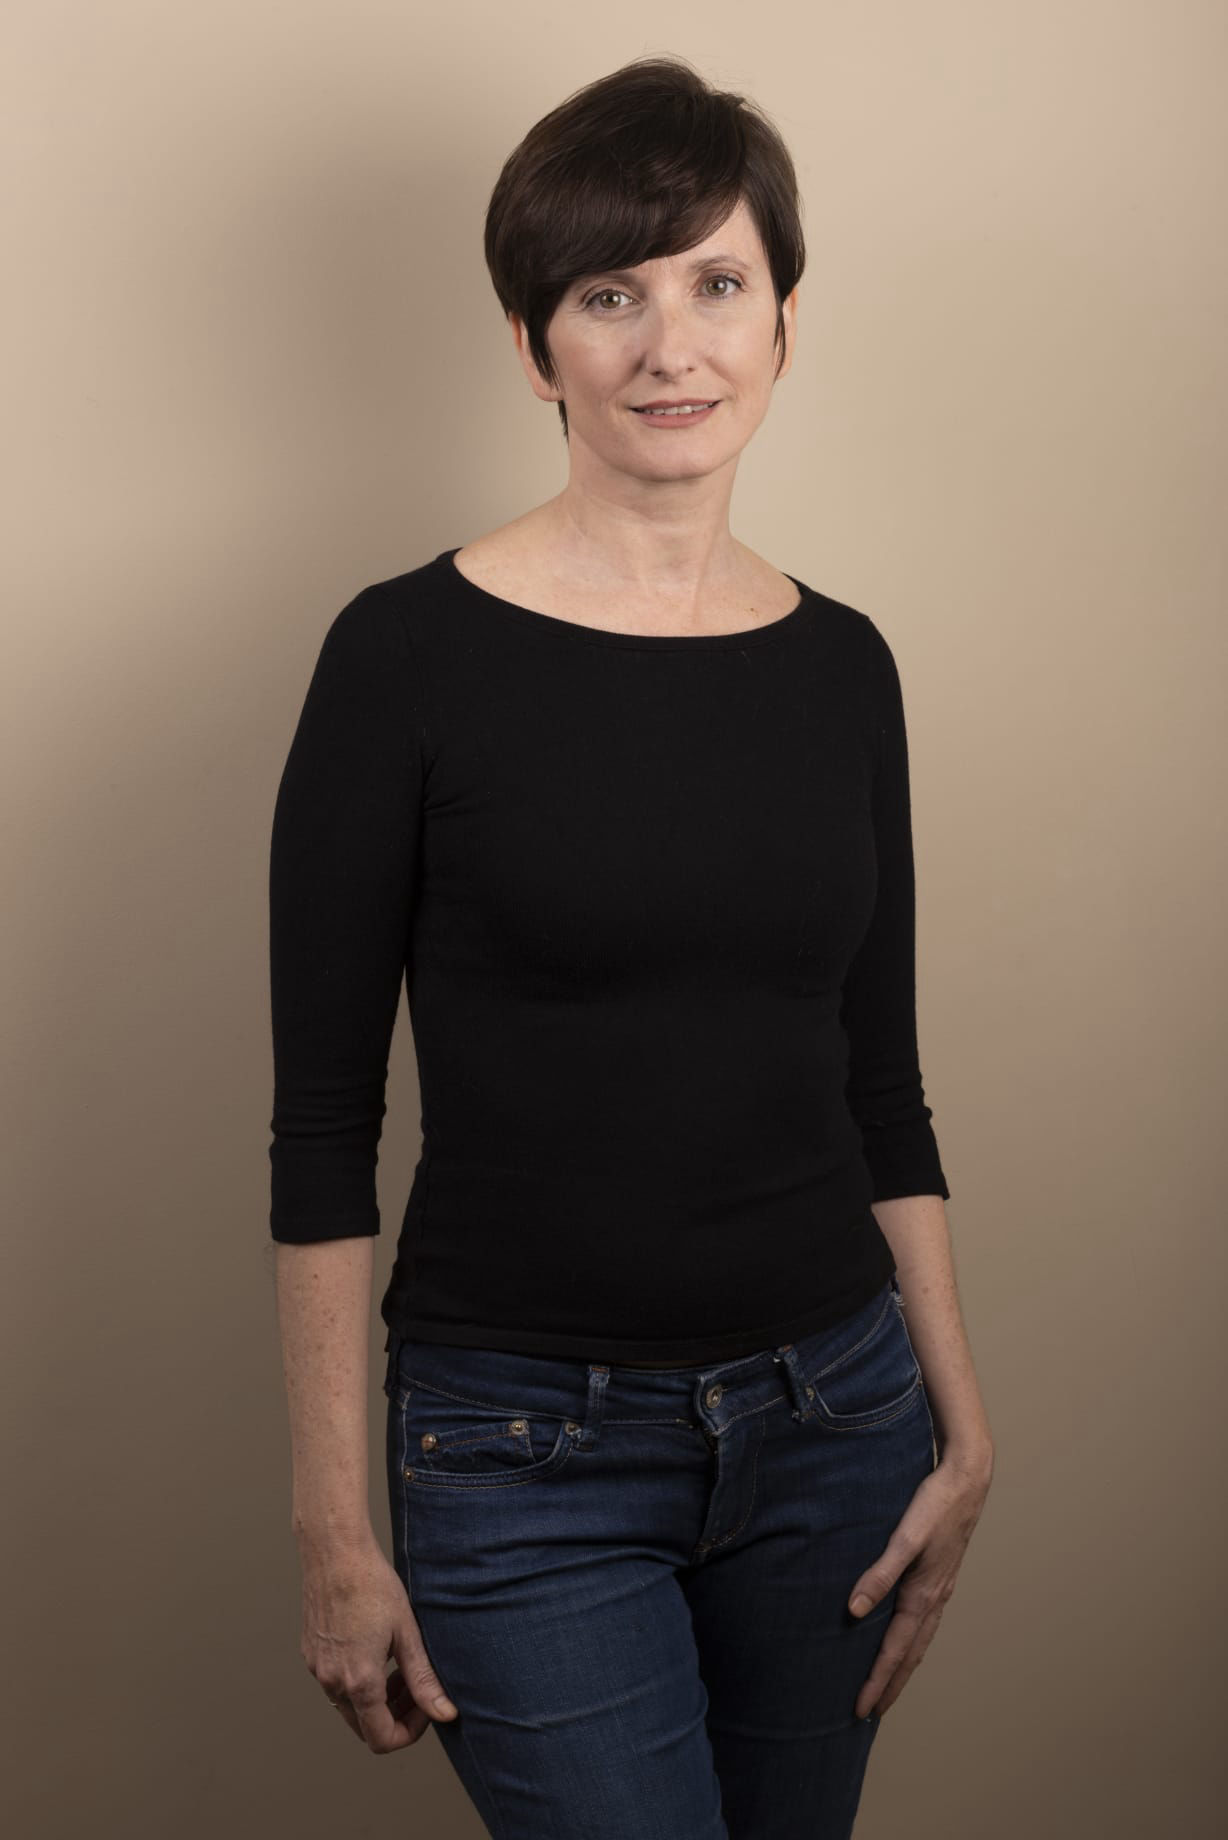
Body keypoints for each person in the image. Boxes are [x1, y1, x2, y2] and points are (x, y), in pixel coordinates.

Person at [268, 53, 994, 1840]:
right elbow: (323, 1129)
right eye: (611, 295)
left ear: (785, 324)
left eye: (716, 284)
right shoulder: (402, 659)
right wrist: (335, 1529)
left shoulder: (846, 667)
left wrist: (962, 1426)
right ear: (537, 347)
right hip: (523, 1456)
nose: (673, 346)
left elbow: (881, 1086)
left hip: (839, 1427)